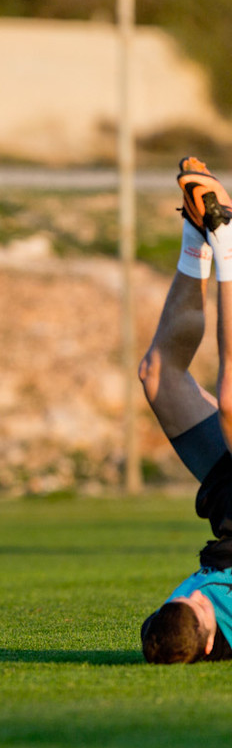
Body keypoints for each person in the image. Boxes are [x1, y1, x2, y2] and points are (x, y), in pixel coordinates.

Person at [139, 157, 232, 663]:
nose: (195, 595)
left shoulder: (169, 628)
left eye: (179, 599)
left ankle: (197, 236)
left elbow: (167, 638)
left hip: (228, 514)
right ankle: (229, 242)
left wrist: (177, 615)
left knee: (157, 376)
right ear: (214, 640)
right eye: (199, 607)